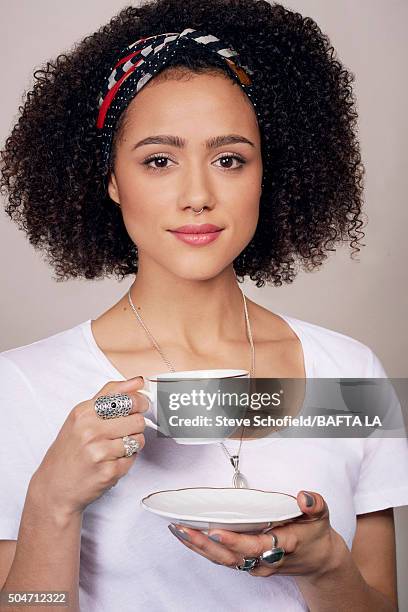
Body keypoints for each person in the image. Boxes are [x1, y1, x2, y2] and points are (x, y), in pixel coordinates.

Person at [0, 1, 407, 610]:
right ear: (112, 179)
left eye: (229, 159)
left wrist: (326, 571)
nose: (197, 195)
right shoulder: (19, 388)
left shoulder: (351, 374)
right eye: (159, 160)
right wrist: (50, 504)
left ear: (269, 173)